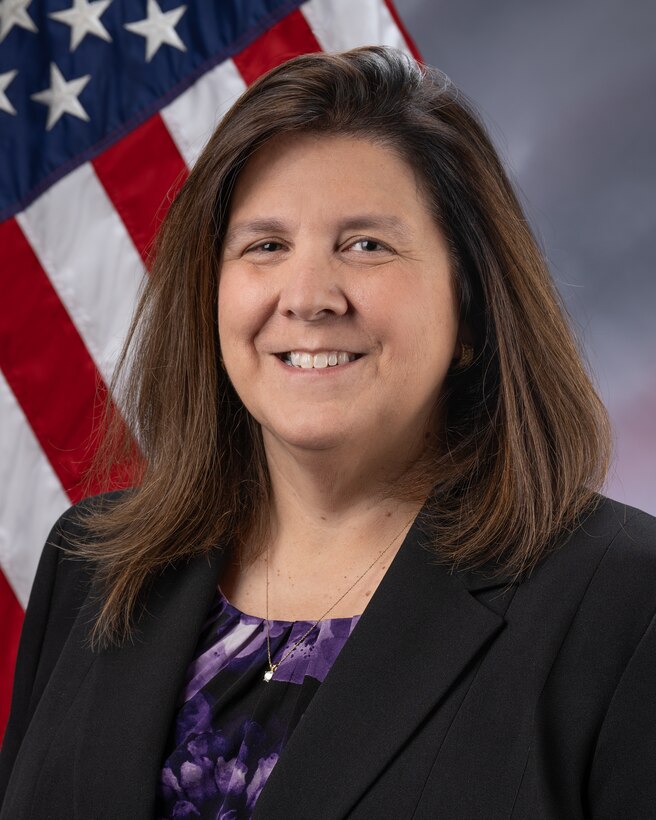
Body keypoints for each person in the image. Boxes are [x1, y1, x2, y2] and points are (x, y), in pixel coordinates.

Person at [1, 46, 655, 820]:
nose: (307, 297)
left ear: (473, 311)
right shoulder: (94, 565)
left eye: (366, 245)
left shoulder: (622, 601)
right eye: (265, 246)